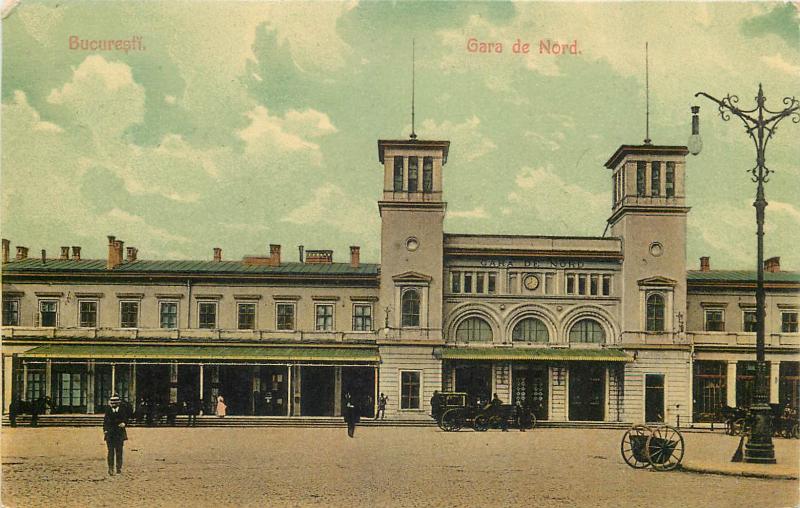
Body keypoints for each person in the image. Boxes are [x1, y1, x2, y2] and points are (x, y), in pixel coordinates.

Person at [103, 394, 129, 476]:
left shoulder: (122, 410)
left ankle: (118, 468)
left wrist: (124, 423)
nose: (113, 404)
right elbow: (105, 422)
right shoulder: (108, 410)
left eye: (115, 402)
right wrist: (105, 430)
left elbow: (126, 419)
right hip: (110, 434)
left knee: (119, 451)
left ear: (118, 403)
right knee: (110, 452)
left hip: (119, 434)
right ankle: (110, 468)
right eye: (112, 402)